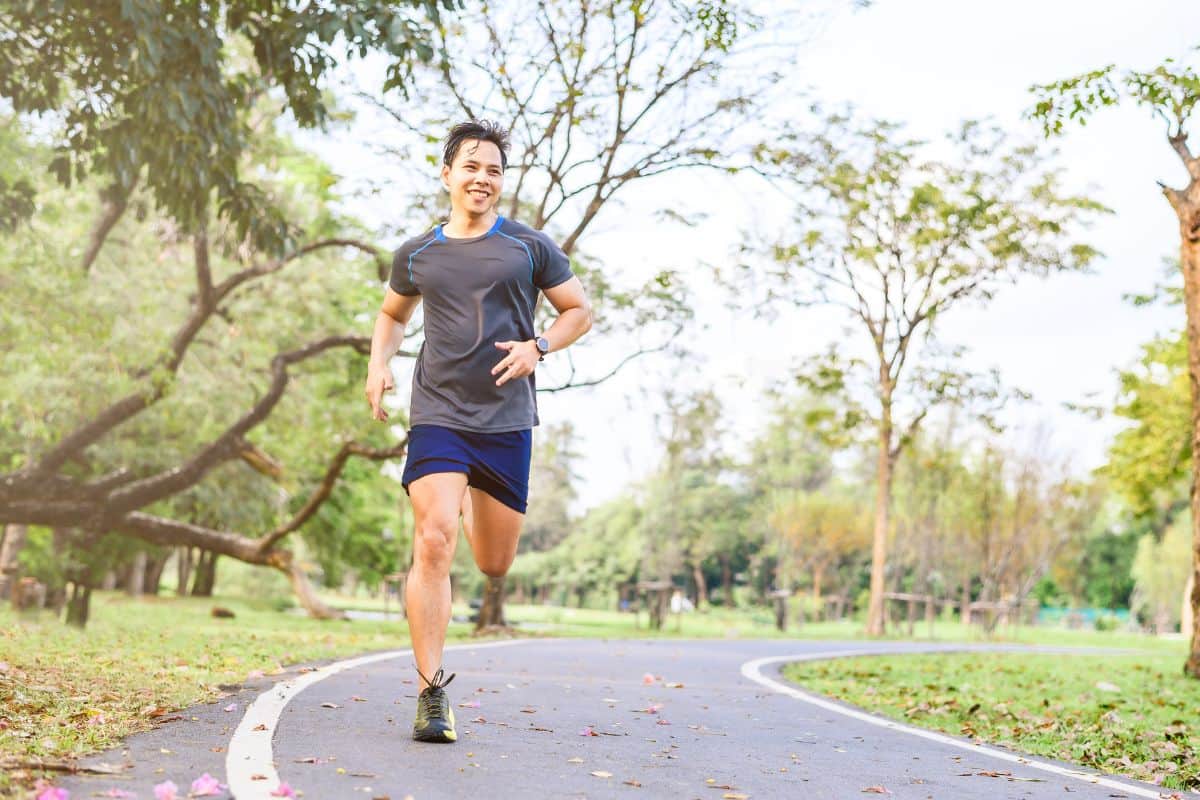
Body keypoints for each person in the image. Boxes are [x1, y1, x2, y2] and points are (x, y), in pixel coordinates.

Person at [364, 120, 592, 743]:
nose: (482, 178)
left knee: (494, 562)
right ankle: (431, 693)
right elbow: (391, 314)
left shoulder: (529, 247)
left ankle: (466, 497)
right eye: (471, 166)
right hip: (438, 412)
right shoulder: (417, 253)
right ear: (447, 175)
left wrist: (538, 347)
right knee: (433, 539)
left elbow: (578, 311)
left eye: (493, 170)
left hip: (506, 421)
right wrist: (379, 362)